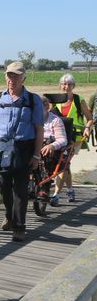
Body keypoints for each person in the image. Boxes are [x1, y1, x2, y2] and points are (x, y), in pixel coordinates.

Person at [0, 61, 44, 242]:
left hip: (24, 148)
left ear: (24, 78)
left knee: (20, 189)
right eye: (9, 75)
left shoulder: (32, 100)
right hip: (4, 147)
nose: (12, 79)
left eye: (16, 76)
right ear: (5, 77)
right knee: (4, 186)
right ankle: (9, 214)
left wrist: (36, 154)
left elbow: (39, 129)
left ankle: (19, 228)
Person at [50, 74, 93, 205]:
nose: (66, 86)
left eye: (69, 84)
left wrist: (87, 128)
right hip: (58, 137)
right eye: (63, 84)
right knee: (65, 164)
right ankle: (70, 190)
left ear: (73, 86)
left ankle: (56, 195)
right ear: (60, 85)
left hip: (75, 138)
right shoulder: (54, 100)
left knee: (63, 162)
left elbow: (90, 118)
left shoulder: (79, 100)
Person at [35, 96, 68, 204]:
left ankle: (44, 188)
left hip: (50, 149)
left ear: (47, 107)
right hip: (34, 146)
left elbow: (63, 140)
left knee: (46, 149)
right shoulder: (31, 119)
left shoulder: (55, 120)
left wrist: (52, 146)